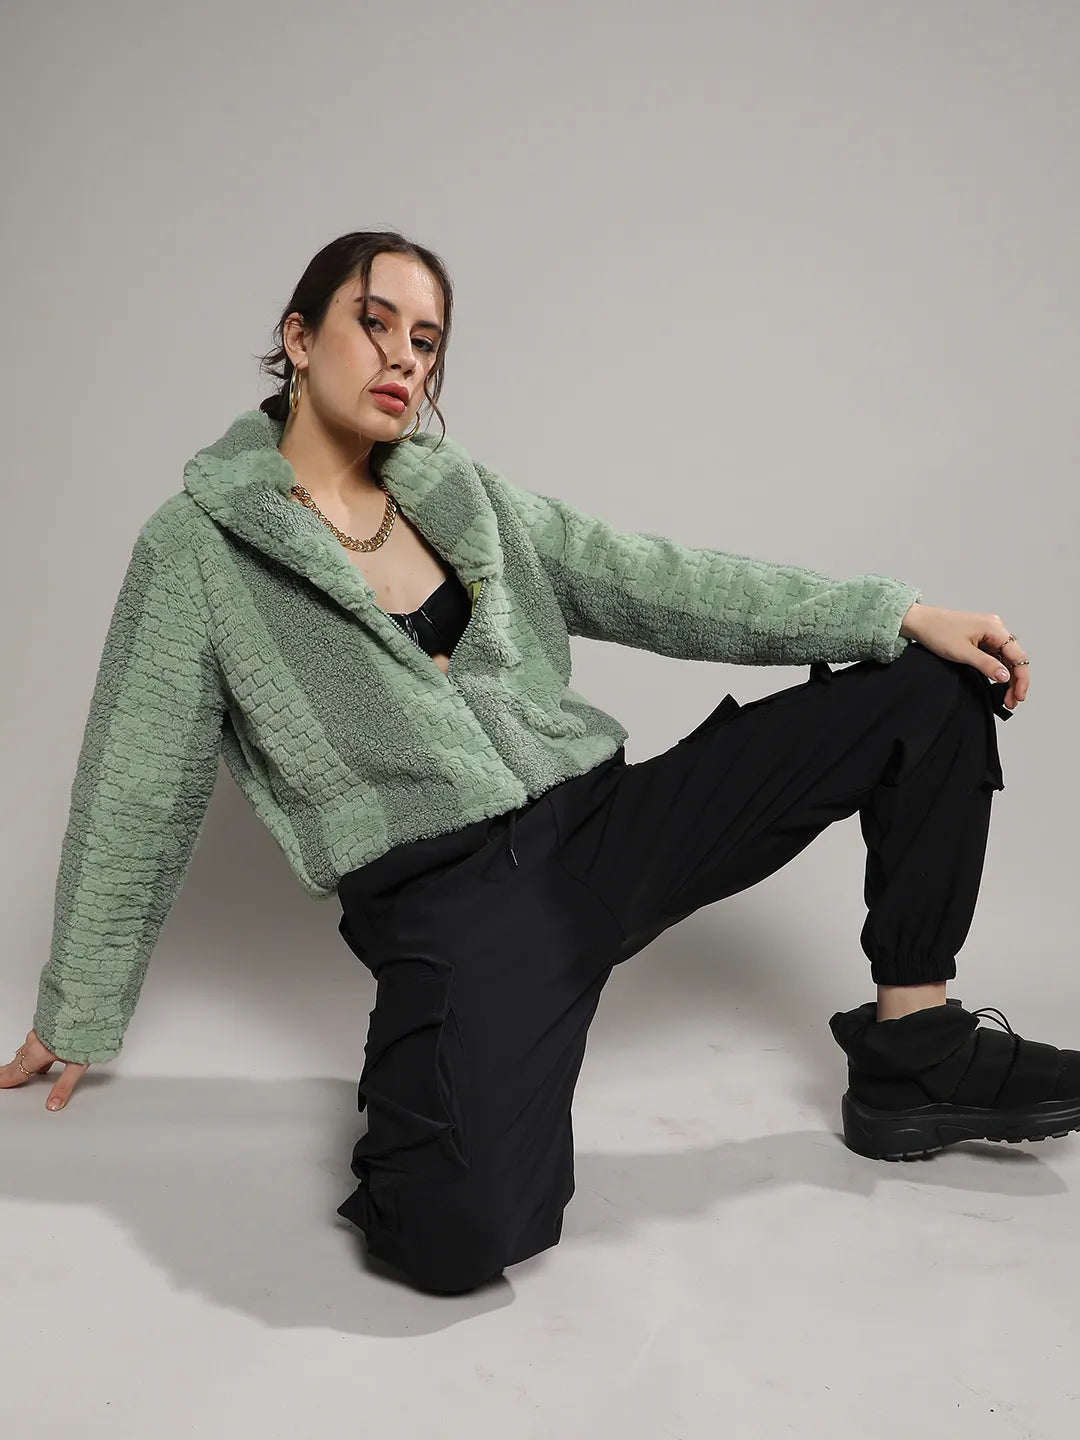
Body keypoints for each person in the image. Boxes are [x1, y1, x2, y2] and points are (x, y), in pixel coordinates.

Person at [4, 229, 1070, 1298]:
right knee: (451, 1241)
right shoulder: (196, 548)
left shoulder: (460, 494)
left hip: (606, 829)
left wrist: (894, 613)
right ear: (299, 337)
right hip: (459, 907)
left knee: (931, 687)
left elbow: (655, 581)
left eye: (427, 341)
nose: (404, 357)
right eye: (374, 323)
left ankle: (914, 1052)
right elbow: (135, 781)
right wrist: (78, 1010)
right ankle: (439, 1095)